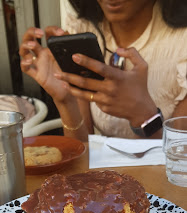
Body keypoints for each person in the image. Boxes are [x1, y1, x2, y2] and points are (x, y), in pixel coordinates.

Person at [19, 0, 187, 142]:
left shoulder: (181, 43)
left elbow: (179, 160)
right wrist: (66, 100)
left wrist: (144, 117)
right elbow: (82, 156)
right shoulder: (84, 28)